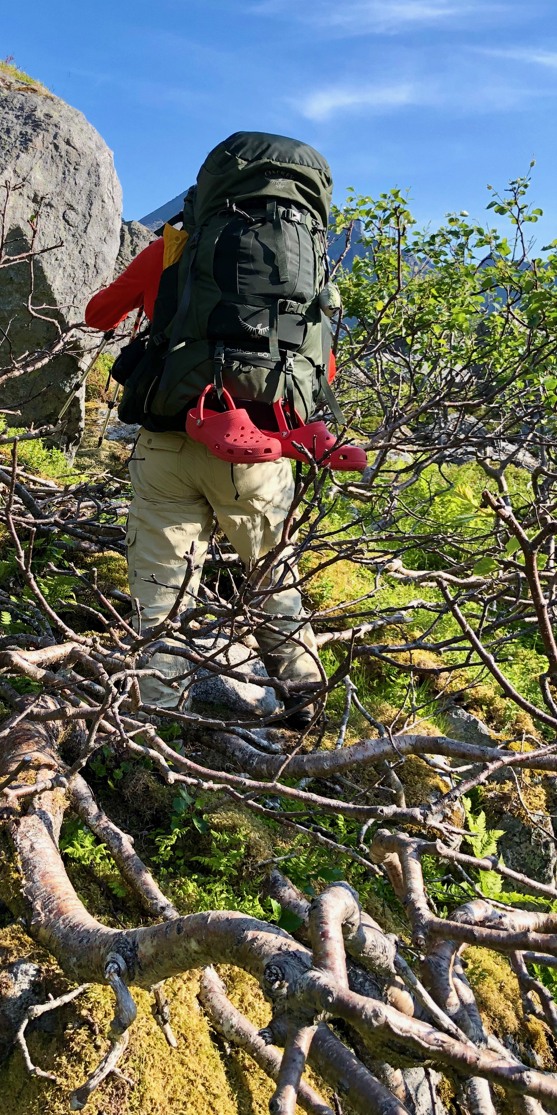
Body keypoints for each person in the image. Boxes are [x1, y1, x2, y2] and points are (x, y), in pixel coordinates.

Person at [85, 133, 338, 728]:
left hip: (170, 440)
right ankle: (303, 697)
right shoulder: (309, 271)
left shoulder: (173, 249)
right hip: (260, 453)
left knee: (160, 584)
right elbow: (322, 370)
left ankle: (158, 717)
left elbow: (98, 315)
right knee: (273, 573)